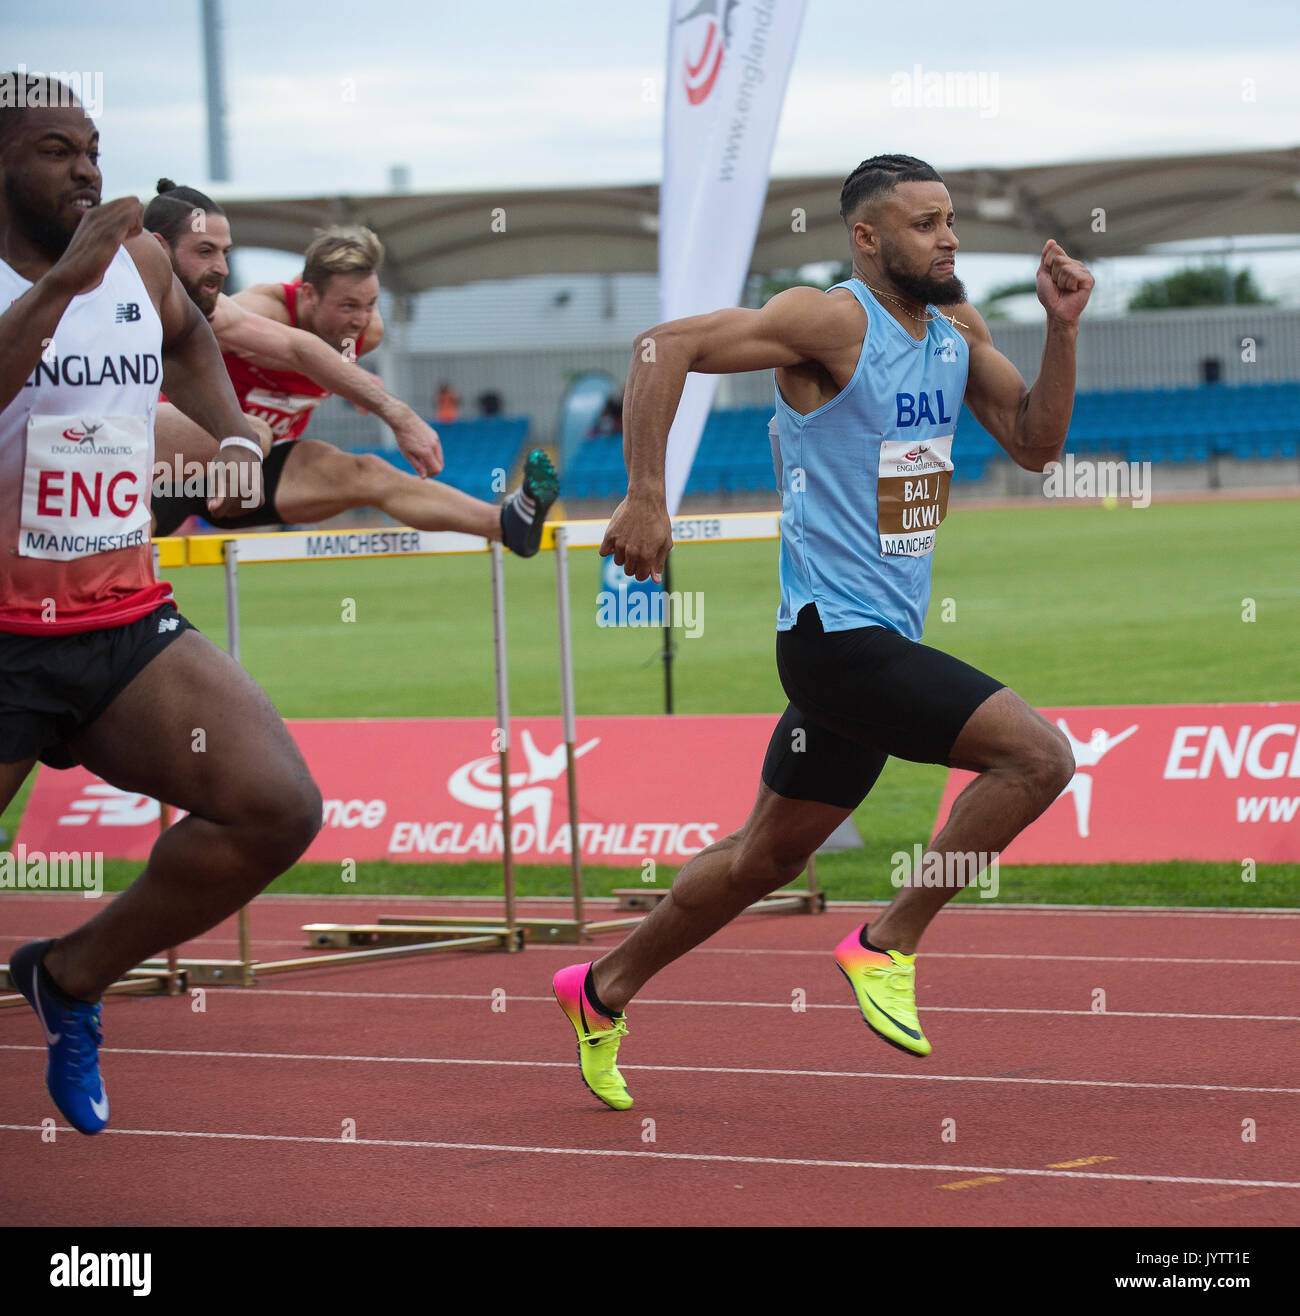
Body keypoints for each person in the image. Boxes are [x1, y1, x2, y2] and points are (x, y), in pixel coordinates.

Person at [554, 153, 1092, 1109]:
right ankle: (886, 944)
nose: (949, 238)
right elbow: (657, 347)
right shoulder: (831, 320)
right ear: (868, 237)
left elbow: (1036, 441)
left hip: (872, 640)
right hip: (835, 639)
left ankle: (601, 989)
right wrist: (645, 494)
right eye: (925, 224)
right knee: (1040, 759)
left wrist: (1061, 330)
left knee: (768, 857)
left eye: (951, 220)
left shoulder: (958, 330)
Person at [0, 78, 323, 1134]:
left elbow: (188, 341)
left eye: (93, 147)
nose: (87, 168)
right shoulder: (84, 264)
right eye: (56, 149)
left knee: (277, 806)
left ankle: (74, 973)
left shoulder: (138, 260)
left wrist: (232, 434)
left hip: (118, 620)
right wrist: (61, 283)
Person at [145, 184, 556, 553]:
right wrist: (393, 410)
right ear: (307, 295)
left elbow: (313, 367)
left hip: (249, 477)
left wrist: (354, 383)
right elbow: (298, 351)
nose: (359, 321)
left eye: (369, 305)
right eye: (347, 306)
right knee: (254, 432)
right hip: (179, 463)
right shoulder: (254, 310)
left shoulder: (365, 333)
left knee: (368, 471)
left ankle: (506, 523)